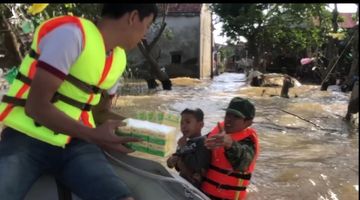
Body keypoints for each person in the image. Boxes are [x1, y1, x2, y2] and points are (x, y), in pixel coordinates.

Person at [0, 4, 158, 200]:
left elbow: (99, 114)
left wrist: (139, 132)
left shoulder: (118, 59)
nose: (146, 34)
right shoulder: (71, 35)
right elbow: (36, 107)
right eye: (148, 25)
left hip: (76, 146)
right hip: (26, 139)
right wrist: (92, 135)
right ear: (133, 17)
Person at [201, 97, 259, 200]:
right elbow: (198, 146)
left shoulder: (249, 141)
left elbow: (244, 162)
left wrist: (230, 144)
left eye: (236, 117)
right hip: (203, 194)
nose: (229, 119)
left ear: (248, 122)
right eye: (228, 114)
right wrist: (178, 155)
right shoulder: (218, 131)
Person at [166, 108, 211, 188]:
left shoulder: (202, 142)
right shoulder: (184, 141)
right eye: (181, 123)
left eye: (188, 122)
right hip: (183, 184)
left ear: (200, 125)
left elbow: (196, 166)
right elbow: (178, 164)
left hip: (195, 189)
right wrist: (171, 162)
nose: (183, 126)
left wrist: (183, 148)